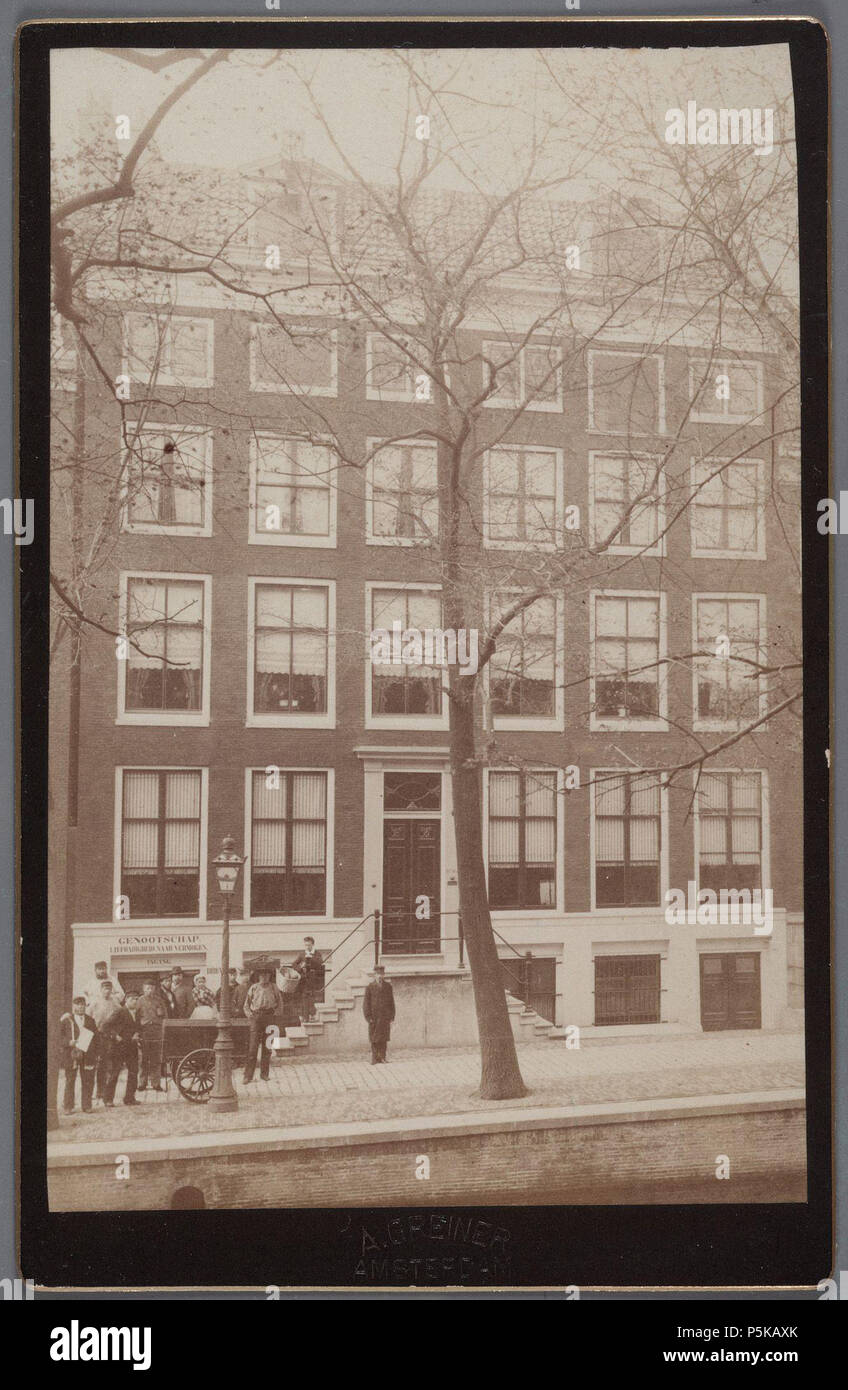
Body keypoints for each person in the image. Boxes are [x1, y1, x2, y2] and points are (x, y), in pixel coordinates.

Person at [59, 997, 98, 1114]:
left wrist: (96, 1053)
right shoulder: (67, 1020)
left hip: (88, 1055)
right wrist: (68, 1042)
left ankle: (86, 1106)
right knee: (70, 1079)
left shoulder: (90, 1020)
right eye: (78, 1004)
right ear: (73, 1006)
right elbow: (58, 1037)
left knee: (88, 1080)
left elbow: (96, 1038)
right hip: (72, 1054)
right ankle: (68, 1106)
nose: (81, 1007)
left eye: (83, 1005)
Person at [242, 968, 282, 1083]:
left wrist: (275, 1016)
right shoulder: (254, 987)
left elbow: (280, 1003)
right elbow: (246, 1005)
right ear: (258, 976)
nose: (264, 977)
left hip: (270, 1018)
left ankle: (264, 1074)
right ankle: (248, 1076)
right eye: (262, 975)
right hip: (256, 1018)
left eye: (267, 974)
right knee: (253, 1048)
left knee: (268, 1047)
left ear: (269, 975)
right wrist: (250, 1016)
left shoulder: (274, 987)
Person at [90, 979, 124, 1106]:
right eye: (105, 989)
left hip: (110, 1037)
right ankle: (98, 1091)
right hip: (98, 1036)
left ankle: (106, 1092)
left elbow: (121, 1015)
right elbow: (88, 1018)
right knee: (100, 1064)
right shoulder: (94, 1003)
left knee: (109, 1064)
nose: (107, 991)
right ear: (101, 990)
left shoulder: (115, 1003)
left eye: (109, 989)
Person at [136, 979, 167, 1090]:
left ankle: (156, 1083)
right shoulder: (139, 1001)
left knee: (156, 1058)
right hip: (144, 1031)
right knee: (143, 1059)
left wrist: (163, 1030)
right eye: (148, 988)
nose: (150, 990)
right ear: (144, 989)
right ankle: (142, 1083)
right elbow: (136, 1017)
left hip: (157, 1031)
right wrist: (138, 1032)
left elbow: (165, 1016)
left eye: (152, 988)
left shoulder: (159, 1000)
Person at [363, 966, 395, 1064]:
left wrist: (392, 1015)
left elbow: (391, 1002)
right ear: (374, 975)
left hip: (385, 1017)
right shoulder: (370, 987)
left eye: (381, 974)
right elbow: (366, 1004)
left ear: (384, 975)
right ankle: (374, 1058)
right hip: (374, 1017)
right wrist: (368, 1017)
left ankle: (383, 1057)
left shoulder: (388, 986)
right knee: (374, 1038)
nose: (380, 976)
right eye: (378, 974)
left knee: (384, 1038)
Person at [292, 936, 325, 1022]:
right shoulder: (302, 954)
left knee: (312, 998)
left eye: (309, 945)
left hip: (313, 980)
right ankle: (305, 1017)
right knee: (304, 998)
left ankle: (312, 1015)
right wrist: (300, 967)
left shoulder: (317, 954)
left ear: (313, 945)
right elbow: (293, 965)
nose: (307, 947)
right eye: (306, 945)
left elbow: (320, 965)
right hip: (304, 980)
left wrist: (311, 958)